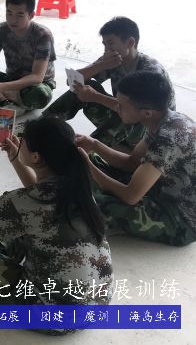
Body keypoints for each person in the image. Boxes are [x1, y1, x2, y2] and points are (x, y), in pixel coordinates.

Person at [0, 117, 112, 318]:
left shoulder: (23, 202)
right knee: (20, 228)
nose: (19, 142)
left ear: (36, 157)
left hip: (51, 314)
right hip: (97, 304)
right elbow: (40, 198)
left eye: (23, 141)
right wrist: (15, 158)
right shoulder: (79, 188)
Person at [78, 71, 196, 246]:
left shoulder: (169, 138)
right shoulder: (162, 120)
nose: (116, 108)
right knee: (90, 162)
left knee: (86, 204)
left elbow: (130, 196)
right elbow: (132, 163)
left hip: (180, 216)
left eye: (121, 105)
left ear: (146, 113)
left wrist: (88, 166)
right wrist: (94, 145)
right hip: (159, 188)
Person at [45, 16, 175, 150]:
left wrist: (95, 96)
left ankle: (85, 150)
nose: (106, 49)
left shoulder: (151, 71)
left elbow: (136, 111)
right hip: (125, 112)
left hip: (149, 129)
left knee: (124, 114)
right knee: (84, 86)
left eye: (111, 43)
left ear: (130, 42)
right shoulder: (112, 59)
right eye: (104, 44)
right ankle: (42, 125)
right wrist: (101, 65)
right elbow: (71, 81)